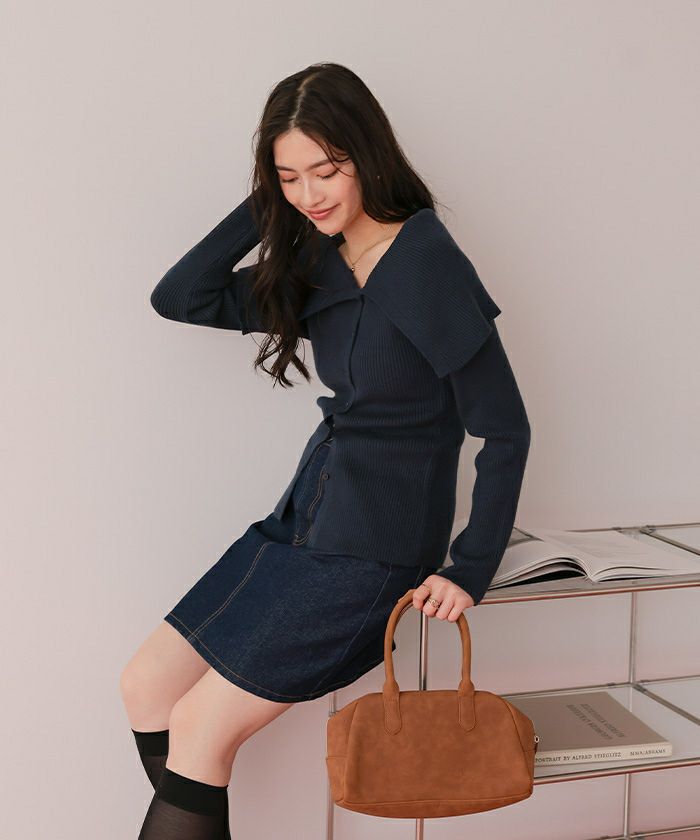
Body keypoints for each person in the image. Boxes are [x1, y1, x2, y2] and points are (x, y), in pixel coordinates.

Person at [120, 61, 531, 838]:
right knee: (147, 686)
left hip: (372, 548)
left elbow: (505, 428)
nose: (310, 194)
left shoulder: (426, 264)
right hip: (302, 523)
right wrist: (270, 200)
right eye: (290, 177)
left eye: (327, 170)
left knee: (202, 730)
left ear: (367, 156)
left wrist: (469, 568)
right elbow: (181, 295)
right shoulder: (319, 258)